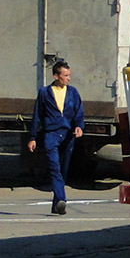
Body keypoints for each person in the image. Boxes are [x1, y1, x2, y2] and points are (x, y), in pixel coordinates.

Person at [27, 61, 84, 215]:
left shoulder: (73, 92)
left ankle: (56, 204)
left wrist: (79, 126)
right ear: (56, 76)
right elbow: (37, 115)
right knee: (54, 167)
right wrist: (32, 137)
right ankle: (61, 200)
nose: (68, 78)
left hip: (67, 135)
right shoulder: (44, 93)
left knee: (63, 170)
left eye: (69, 75)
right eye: (65, 75)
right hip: (50, 135)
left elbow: (79, 112)